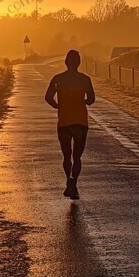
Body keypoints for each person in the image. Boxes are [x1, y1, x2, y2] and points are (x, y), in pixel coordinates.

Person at [44, 50, 95, 199]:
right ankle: (74, 183)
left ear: (65, 62)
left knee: (66, 156)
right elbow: (91, 99)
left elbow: (48, 97)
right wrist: (82, 102)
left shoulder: (58, 79)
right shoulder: (85, 79)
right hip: (80, 123)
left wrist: (58, 106)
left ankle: (68, 180)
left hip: (64, 122)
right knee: (77, 157)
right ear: (79, 62)